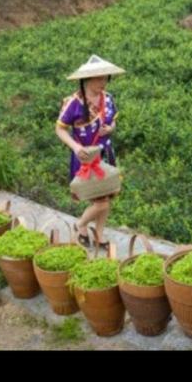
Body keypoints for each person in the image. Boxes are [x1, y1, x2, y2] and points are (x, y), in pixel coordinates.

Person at [55, 53, 124, 251]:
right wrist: (76, 147)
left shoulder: (108, 99)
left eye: (106, 78)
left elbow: (113, 121)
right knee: (99, 202)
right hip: (87, 158)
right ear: (87, 79)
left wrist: (110, 129)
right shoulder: (73, 102)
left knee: (106, 198)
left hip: (106, 155)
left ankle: (99, 233)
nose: (104, 82)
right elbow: (60, 129)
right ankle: (81, 225)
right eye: (99, 78)